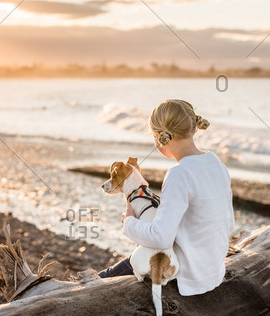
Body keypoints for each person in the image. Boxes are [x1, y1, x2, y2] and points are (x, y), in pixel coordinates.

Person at [99, 99, 235, 296]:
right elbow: (228, 224)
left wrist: (129, 222)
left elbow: (161, 238)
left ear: (160, 137)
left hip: (186, 273)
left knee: (104, 279)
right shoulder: (216, 162)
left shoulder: (179, 174)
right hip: (213, 270)